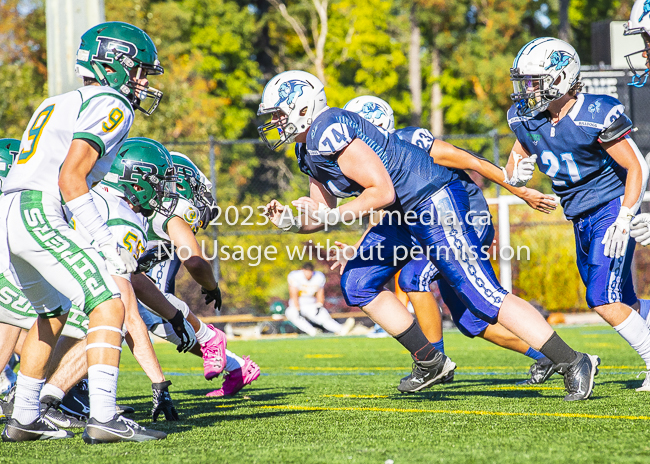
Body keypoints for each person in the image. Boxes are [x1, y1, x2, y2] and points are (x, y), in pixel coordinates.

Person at [259, 70, 599, 400]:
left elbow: (381, 192)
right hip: (402, 214)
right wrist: (291, 222)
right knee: (357, 282)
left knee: (482, 296)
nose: (274, 123)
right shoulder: (307, 150)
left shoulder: (329, 127)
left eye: (278, 114)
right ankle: (429, 360)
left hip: (431, 200)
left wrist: (330, 215)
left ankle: (572, 360)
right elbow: (322, 210)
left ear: (303, 107)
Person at [0, 21, 167, 443]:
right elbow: (71, 178)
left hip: (12, 209)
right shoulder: (112, 102)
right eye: (139, 70)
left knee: (52, 311)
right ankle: (106, 418)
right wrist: (105, 239)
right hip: (39, 209)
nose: (143, 81)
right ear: (116, 64)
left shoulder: (58, 100)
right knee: (109, 301)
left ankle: (24, 417)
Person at [343, 96, 555, 387]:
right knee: (472, 321)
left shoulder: (409, 142)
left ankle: (432, 364)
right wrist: (359, 251)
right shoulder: (371, 166)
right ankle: (548, 356)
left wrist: (520, 191)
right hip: (431, 231)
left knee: (413, 277)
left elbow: (471, 160)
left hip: (464, 222)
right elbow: (384, 218)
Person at [506, 37, 650, 391]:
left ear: (560, 78)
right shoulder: (527, 117)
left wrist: (626, 214)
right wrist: (516, 174)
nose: (526, 90)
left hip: (610, 209)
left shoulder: (595, 112)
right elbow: (515, 160)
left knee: (601, 297)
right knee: (624, 298)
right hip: (579, 216)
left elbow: (637, 166)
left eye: (534, 81)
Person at [131, 149, 260, 397]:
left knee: (152, 313)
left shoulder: (168, 209)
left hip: (146, 282)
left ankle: (210, 338)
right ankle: (237, 366)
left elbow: (196, 261)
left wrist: (211, 286)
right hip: (139, 273)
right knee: (152, 320)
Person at [286, 262, 355, 336]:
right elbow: (293, 294)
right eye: (307, 272)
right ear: (303, 270)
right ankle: (312, 331)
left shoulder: (318, 276)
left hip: (311, 304)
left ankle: (340, 329)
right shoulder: (295, 276)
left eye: (310, 272)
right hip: (297, 305)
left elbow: (320, 292)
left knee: (323, 316)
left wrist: (319, 305)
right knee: (291, 314)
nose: (308, 274)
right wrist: (297, 308)